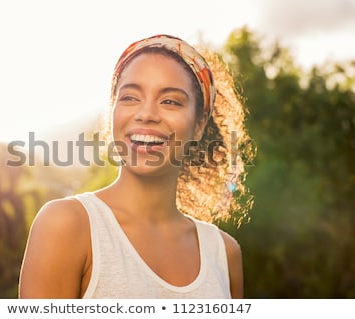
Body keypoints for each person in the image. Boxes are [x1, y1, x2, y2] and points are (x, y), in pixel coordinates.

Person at [19, 34, 254, 299]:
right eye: (130, 97)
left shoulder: (224, 254)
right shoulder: (66, 225)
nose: (146, 114)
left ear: (199, 125)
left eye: (170, 101)